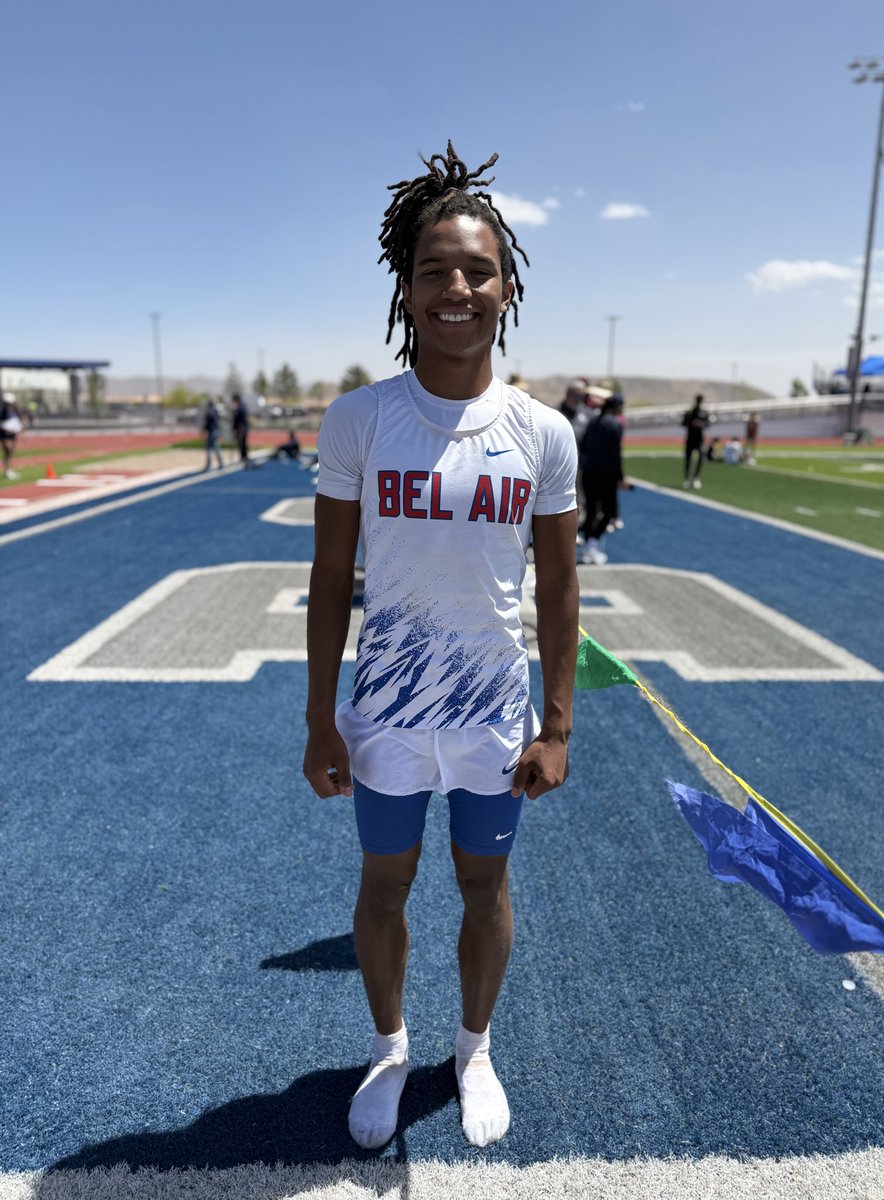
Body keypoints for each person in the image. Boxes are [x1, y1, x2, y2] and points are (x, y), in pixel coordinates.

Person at [303, 141, 579, 1153]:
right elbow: (333, 581)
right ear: (405, 288)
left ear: (505, 288)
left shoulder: (541, 432)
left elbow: (559, 587)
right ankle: (389, 1049)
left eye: (476, 270)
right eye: (434, 270)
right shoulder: (361, 420)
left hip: (490, 718)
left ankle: (472, 1047)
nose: (455, 287)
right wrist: (318, 715)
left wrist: (556, 725)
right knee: (383, 885)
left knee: (482, 886)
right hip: (381, 715)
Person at [577, 395, 631, 563]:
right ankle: (592, 544)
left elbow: (584, 446)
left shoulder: (593, 422)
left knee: (592, 510)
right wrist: (620, 478)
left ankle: (590, 545)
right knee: (608, 512)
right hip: (605, 475)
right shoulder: (614, 425)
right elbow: (615, 455)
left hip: (589, 472)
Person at [681, 393, 711, 489]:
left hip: (699, 439)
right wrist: (692, 423)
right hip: (690, 438)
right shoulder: (690, 412)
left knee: (700, 458)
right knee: (688, 459)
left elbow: (708, 424)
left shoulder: (704, 413)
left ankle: (696, 478)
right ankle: (687, 478)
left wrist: (701, 424)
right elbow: (683, 423)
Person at [0, 392, 24, 479]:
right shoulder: (2, 411)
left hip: (12, 434)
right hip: (4, 434)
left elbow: (17, 421)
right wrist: (6, 427)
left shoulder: (14, 410)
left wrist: (18, 429)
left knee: (10, 452)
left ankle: (8, 470)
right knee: (8, 450)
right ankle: (7, 471)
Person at [201, 398, 224, 471]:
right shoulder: (216, 411)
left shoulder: (209, 412)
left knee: (209, 449)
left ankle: (209, 464)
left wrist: (204, 430)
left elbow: (207, 424)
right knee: (216, 448)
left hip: (211, 432)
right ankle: (220, 463)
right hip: (216, 431)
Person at [230, 392, 250, 466]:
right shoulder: (242, 406)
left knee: (242, 443)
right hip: (242, 427)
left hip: (241, 427)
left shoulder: (240, 407)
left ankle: (244, 458)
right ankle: (244, 457)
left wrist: (234, 412)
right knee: (242, 443)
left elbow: (238, 418)